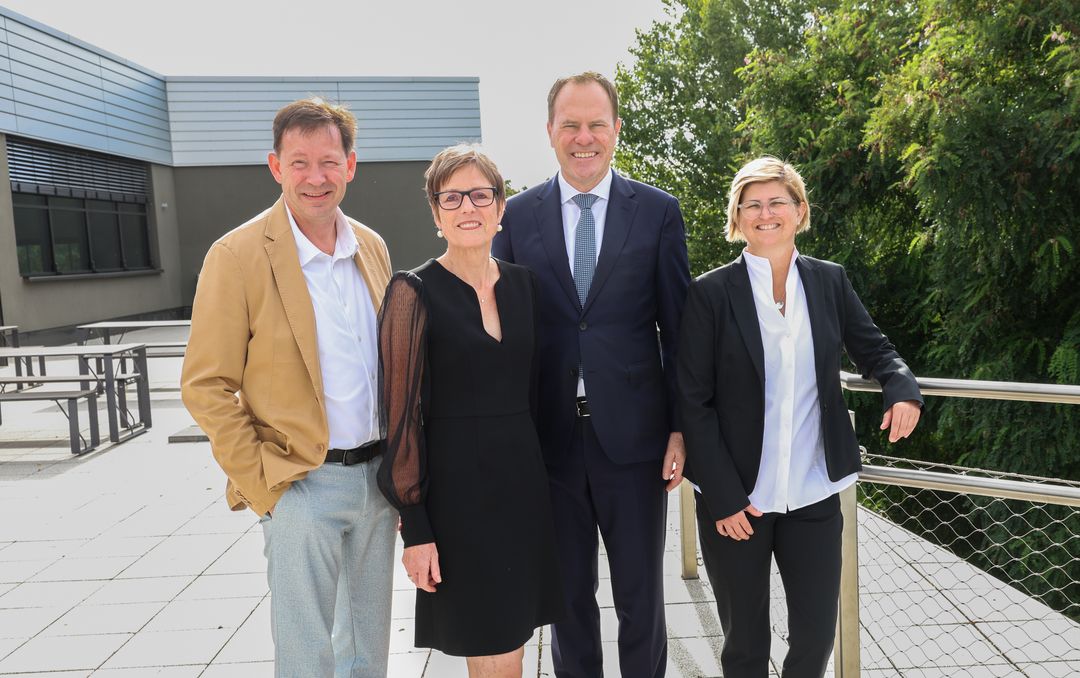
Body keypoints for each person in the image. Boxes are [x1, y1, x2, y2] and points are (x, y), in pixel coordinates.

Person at [677, 156, 923, 678]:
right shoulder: (710, 293)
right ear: (738, 217)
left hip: (813, 492)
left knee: (815, 638)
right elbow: (692, 402)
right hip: (738, 502)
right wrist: (721, 495)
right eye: (753, 205)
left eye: (778, 203)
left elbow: (875, 349)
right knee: (745, 643)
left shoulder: (829, 281)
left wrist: (902, 388)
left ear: (800, 210)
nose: (767, 214)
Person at [181, 98, 396, 678]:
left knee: (368, 652)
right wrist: (265, 489)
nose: (315, 177)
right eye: (299, 162)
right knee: (307, 657)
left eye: (329, 161)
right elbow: (206, 386)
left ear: (351, 165)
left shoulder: (370, 248)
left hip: (377, 485)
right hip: (300, 485)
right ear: (275, 167)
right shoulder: (237, 255)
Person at [492, 71, 691, 678]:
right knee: (568, 601)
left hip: (634, 443)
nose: (584, 137)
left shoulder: (656, 212)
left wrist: (680, 430)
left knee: (641, 599)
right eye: (571, 125)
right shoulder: (516, 217)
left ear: (616, 130)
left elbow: (679, 331)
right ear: (550, 132)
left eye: (596, 124)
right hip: (549, 443)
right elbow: (502, 330)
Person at [378, 144, 564, 678]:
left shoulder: (525, 286)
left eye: (480, 195)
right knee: (485, 640)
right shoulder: (411, 292)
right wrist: (415, 526)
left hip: (522, 488)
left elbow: (532, 394)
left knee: (514, 635)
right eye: (452, 197)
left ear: (501, 208)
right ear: (436, 214)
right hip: (456, 498)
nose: (468, 208)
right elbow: (400, 417)